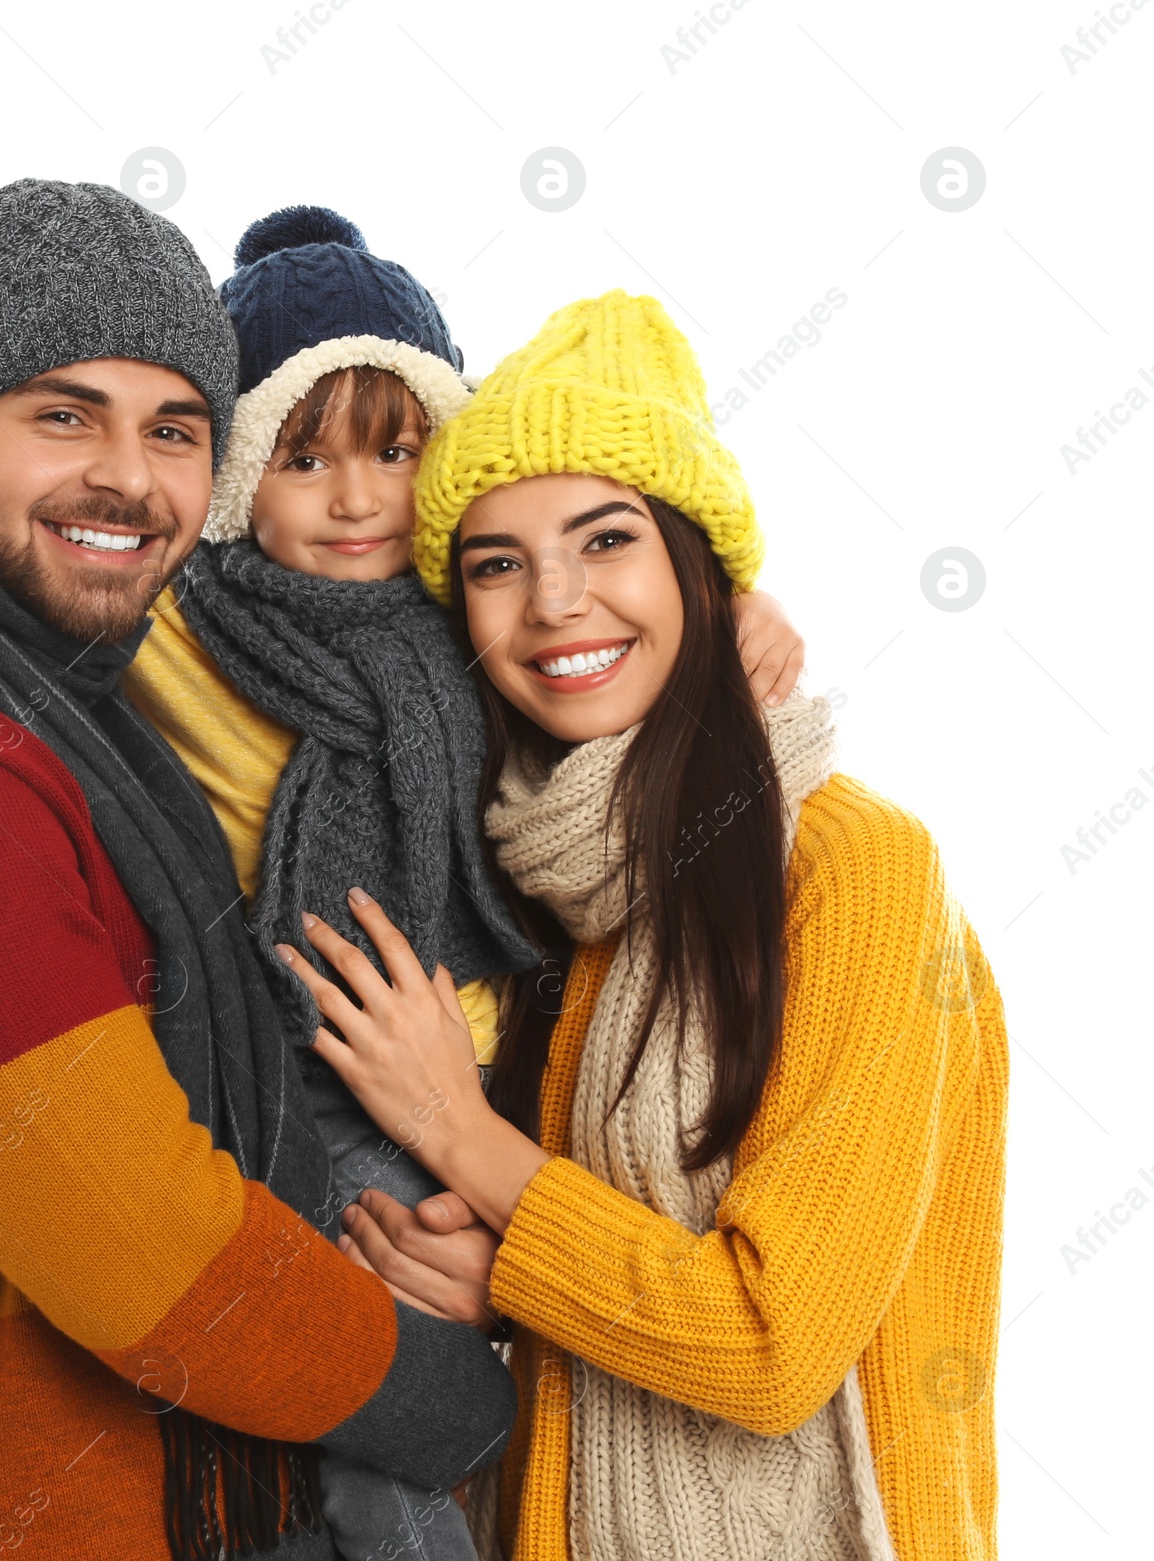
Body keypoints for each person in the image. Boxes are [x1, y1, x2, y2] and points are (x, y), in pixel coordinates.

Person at [0, 178, 519, 1561]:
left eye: (175, 429)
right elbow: (168, 1265)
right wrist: (489, 1393)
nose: (128, 477)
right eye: (62, 414)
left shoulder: (66, 697)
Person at [275, 290, 1008, 1561]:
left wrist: (453, 1129)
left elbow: (770, 1345)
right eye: (497, 563)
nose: (553, 601)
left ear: (700, 569)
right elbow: (617, 1266)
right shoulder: (559, 884)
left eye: (605, 540)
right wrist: (503, 1289)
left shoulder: (854, 868)